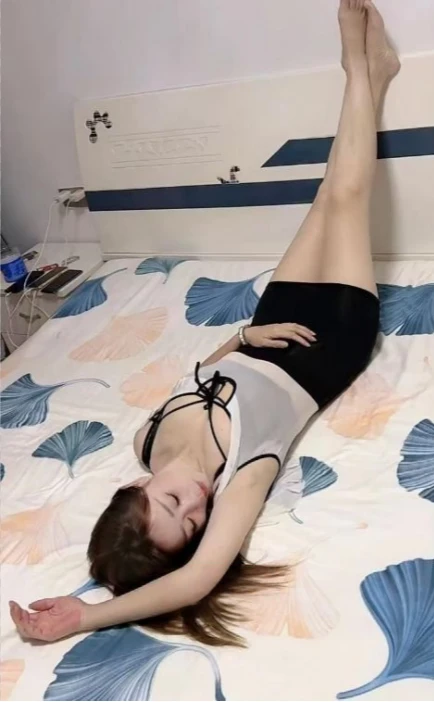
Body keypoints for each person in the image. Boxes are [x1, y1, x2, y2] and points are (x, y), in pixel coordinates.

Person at [10, 0, 400, 646]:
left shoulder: (146, 440)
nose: (195, 502)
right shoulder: (241, 475)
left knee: (324, 196)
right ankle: (359, 71)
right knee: (347, 198)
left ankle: (374, 77)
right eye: (192, 524)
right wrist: (83, 615)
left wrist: (242, 337)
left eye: (171, 503)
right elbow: (194, 582)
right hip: (332, 339)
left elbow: (207, 374)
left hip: (267, 329)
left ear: (138, 485)